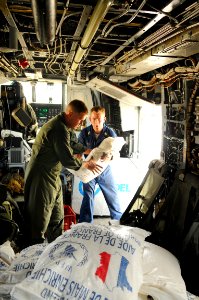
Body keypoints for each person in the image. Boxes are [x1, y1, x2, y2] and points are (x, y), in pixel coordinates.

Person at [23, 100, 102, 246]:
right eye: (80, 119)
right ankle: (33, 255)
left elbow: (72, 143)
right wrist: (85, 164)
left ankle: (56, 249)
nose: (81, 123)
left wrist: (89, 151)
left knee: (57, 216)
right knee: (39, 219)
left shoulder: (66, 126)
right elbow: (66, 157)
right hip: (42, 176)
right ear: (70, 114)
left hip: (53, 176)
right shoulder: (58, 128)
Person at [78, 106, 122, 223]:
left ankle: (118, 221)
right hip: (88, 169)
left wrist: (110, 156)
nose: (96, 122)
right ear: (90, 119)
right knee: (87, 196)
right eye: (93, 119)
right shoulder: (84, 133)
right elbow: (77, 151)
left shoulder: (110, 133)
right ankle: (85, 224)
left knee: (112, 195)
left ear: (104, 119)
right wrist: (86, 161)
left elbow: (116, 153)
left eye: (99, 119)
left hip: (104, 169)